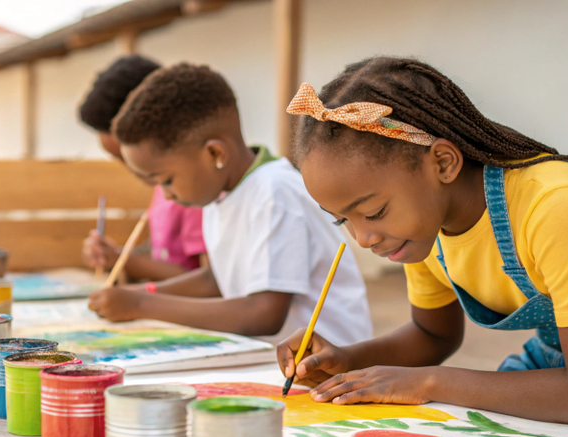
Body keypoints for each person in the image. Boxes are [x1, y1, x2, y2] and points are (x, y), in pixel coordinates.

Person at [277, 56, 568, 437]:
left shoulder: (558, 207)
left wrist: (428, 381)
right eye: (343, 220)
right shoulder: (423, 227)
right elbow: (433, 334)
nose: (364, 239)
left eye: (374, 212)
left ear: (444, 163)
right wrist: (346, 361)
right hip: (567, 367)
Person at [87, 63, 372, 344]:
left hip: (332, 370)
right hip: (277, 362)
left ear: (214, 153)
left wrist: (140, 306)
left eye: (167, 180)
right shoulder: (221, 194)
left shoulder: (274, 192)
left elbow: (264, 313)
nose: (167, 195)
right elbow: (215, 280)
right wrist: (143, 294)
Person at [79, 55, 206, 282]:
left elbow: (208, 281)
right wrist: (113, 256)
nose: (129, 169)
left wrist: (123, 261)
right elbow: (162, 252)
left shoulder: (198, 191)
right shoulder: (163, 188)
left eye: (124, 158)